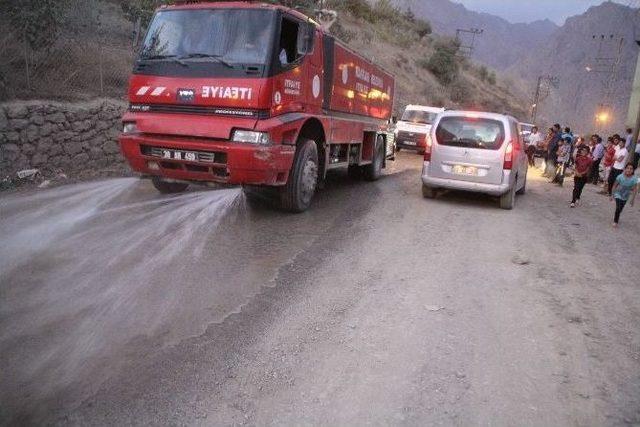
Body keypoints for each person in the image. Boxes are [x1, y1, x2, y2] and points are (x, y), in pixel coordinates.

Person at [610, 163, 638, 227]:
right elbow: (614, 186)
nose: (629, 170)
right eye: (627, 168)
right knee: (618, 207)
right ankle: (615, 221)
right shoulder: (620, 176)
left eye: (631, 169)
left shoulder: (634, 179)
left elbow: (634, 190)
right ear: (625, 169)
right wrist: (612, 195)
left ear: (633, 171)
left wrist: (632, 199)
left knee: (620, 208)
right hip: (618, 194)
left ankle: (617, 214)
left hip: (625, 196)